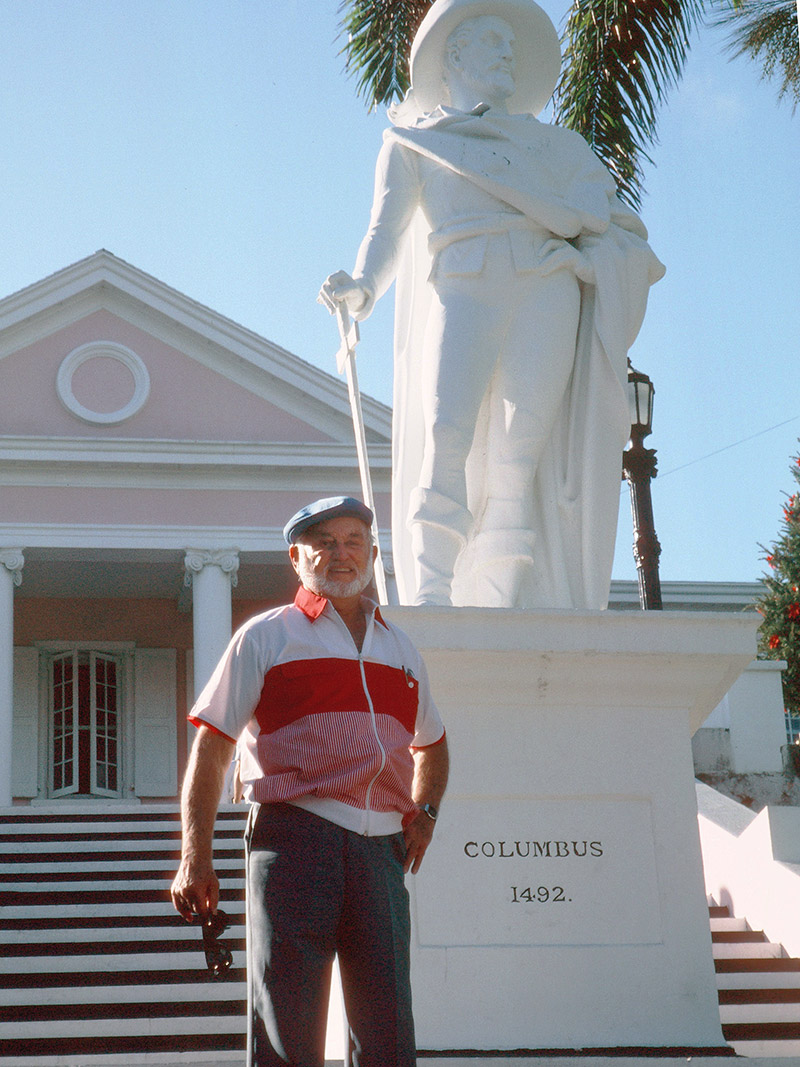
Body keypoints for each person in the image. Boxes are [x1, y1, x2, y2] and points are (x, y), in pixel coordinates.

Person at [320, 0, 665, 611]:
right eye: (491, 40)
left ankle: (506, 600)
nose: (508, 52)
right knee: (445, 433)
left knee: (517, 450)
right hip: (465, 281)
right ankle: (430, 591)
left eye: (511, 43)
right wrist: (364, 285)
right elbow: (387, 231)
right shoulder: (415, 142)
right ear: (453, 53)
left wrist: (591, 261)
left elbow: (614, 225)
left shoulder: (557, 149)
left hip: (545, 290)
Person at [170, 495, 448, 1067]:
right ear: (297, 558)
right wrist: (194, 854)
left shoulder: (400, 648)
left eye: (352, 541)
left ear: (372, 554)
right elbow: (213, 745)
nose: (340, 554)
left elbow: (434, 746)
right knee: (287, 1021)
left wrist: (425, 813)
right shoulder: (266, 635)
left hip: (381, 852)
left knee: (389, 1027)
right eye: (323, 543)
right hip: (295, 838)